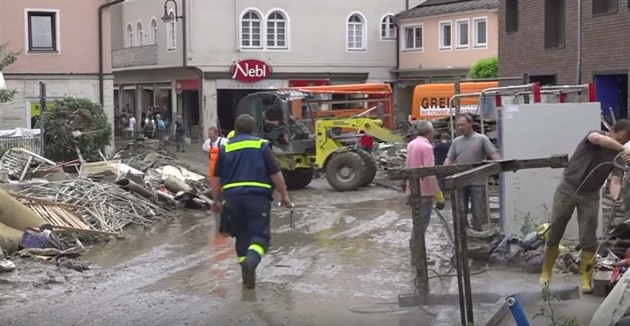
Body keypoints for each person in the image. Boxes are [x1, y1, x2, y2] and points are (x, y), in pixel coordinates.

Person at [541, 120, 630, 294]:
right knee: (556, 231)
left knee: (588, 238)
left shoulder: (618, 157)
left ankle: (586, 279)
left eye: (623, 142)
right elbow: (598, 139)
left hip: (590, 195)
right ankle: (546, 273)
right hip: (568, 189)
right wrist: (622, 148)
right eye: (618, 139)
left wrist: (615, 196)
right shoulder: (594, 136)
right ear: (611, 130)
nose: (619, 144)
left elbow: (615, 180)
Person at [210, 114, 293, 289]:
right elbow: (275, 173)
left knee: (241, 236)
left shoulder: (225, 148)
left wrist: (216, 200)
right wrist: (284, 195)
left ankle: (246, 273)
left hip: (232, 198)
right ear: (253, 129)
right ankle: (251, 261)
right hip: (257, 197)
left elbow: (216, 178)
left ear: (236, 129)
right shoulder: (261, 145)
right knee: (260, 236)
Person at [444, 114, 501, 231]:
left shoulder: (481, 138)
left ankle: (477, 231)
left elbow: (493, 154)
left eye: (462, 124)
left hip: (478, 181)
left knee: (477, 210)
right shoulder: (456, 141)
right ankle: (464, 232)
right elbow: (450, 158)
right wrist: (443, 170)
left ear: (470, 124)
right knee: (461, 209)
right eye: (458, 125)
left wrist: (502, 165)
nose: (460, 127)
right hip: (461, 181)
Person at [405, 121, 441, 266]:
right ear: (429, 132)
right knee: (422, 225)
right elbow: (430, 172)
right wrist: (439, 195)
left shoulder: (411, 144)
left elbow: (407, 166)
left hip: (411, 190)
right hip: (424, 192)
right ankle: (419, 257)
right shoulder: (426, 147)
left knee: (416, 223)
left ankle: (415, 255)